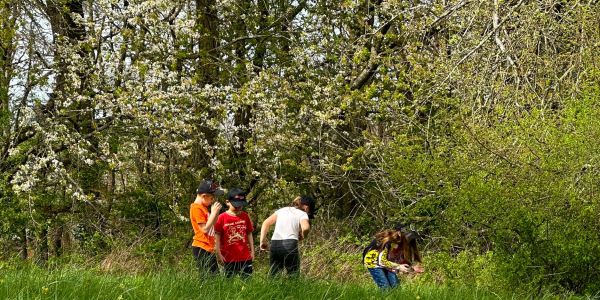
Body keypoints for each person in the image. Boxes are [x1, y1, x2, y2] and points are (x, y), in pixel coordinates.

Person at [259, 195, 315, 276]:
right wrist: (304, 236)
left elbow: (266, 223)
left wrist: (262, 241)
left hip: (275, 244)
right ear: (306, 208)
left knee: (274, 275)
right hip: (290, 244)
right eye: (309, 212)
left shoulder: (282, 210)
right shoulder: (303, 214)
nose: (308, 214)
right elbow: (306, 228)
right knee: (293, 276)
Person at [214, 188, 255, 277]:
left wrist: (252, 251)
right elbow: (217, 236)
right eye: (236, 206)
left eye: (241, 205)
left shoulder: (245, 216)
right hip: (228, 258)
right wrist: (218, 253)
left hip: (245, 257)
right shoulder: (221, 217)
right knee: (229, 283)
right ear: (227, 202)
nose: (238, 208)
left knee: (247, 281)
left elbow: (249, 233)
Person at [190, 179, 223, 275]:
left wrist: (215, 213)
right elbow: (204, 229)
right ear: (204, 196)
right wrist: (212, 213)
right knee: (206, 277)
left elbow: (213, 223)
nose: (212, 201)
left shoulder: (204, 208)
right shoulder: (196, 208)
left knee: (215, 277)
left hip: (209, 247)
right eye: (211, 198)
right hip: (201, 247)